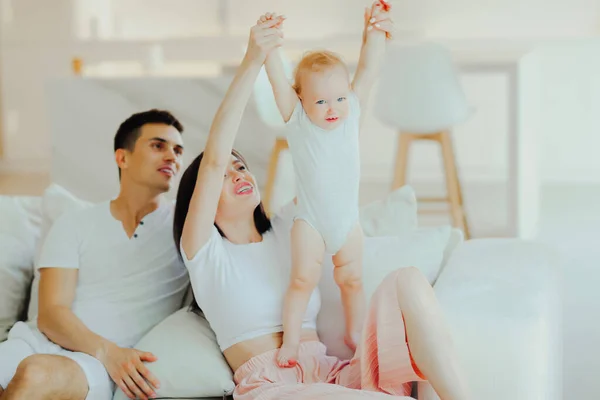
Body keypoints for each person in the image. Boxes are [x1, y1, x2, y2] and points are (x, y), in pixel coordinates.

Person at [174, 7, 472, 400]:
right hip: (274, 387)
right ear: (202, 201)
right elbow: (212, 160)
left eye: (242, 167)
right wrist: (254, 59)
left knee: (409, 281)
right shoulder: (204, 254)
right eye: (225, 178)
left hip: (333, 374)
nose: (239, 175)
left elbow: (332, 146)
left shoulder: (290, 226)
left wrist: (373, 42)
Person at [0, 110, 190, 400]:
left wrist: (109, 357)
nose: (172, 157)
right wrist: (108, 351)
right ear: (122, 158)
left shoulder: (184, 224)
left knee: (35, 375)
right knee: (28, 367)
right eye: (158, 145)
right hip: (35, 344)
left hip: (95, 367)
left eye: (178, 150)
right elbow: (51, 314)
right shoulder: (76, 222)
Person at [261, 0, 391, 367]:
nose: (332, 107)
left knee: (352, 281)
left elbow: (369, 67)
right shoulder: (298, 121)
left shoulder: (350, 115)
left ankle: (356, 333)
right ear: (300, 98)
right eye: (320, 100)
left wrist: (375, 31)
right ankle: (290, 342)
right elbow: (275, 78)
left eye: (338, 98)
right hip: (312, 222)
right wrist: (270, 45)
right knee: (302, 280)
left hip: (347, 221)